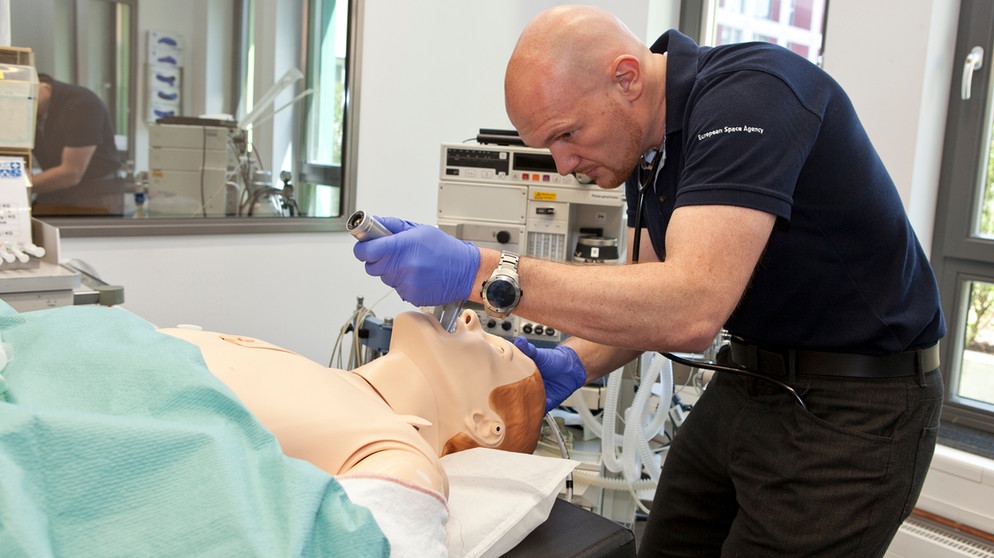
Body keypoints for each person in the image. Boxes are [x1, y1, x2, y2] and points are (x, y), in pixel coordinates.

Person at [352, 5, 945, 557]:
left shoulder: (754, 96)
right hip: (753, 381)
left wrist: (481, 271)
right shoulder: (650, 148)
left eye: (566, 134)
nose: (563, 165)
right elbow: (647, 288)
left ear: (627, 78)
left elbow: (689, 309)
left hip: (857, 403)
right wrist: (574, 363)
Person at [160, 308, 546, 498]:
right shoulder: (323, 376)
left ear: (484, 423)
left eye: (498, 352)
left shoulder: (399, 458)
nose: (470, 318)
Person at [31, 73, 125, 216]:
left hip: (94, 194)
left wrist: (18, 186)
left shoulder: (82, 104)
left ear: (40, 84)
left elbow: (71, 173)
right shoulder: (31, 113)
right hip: (56, 191)